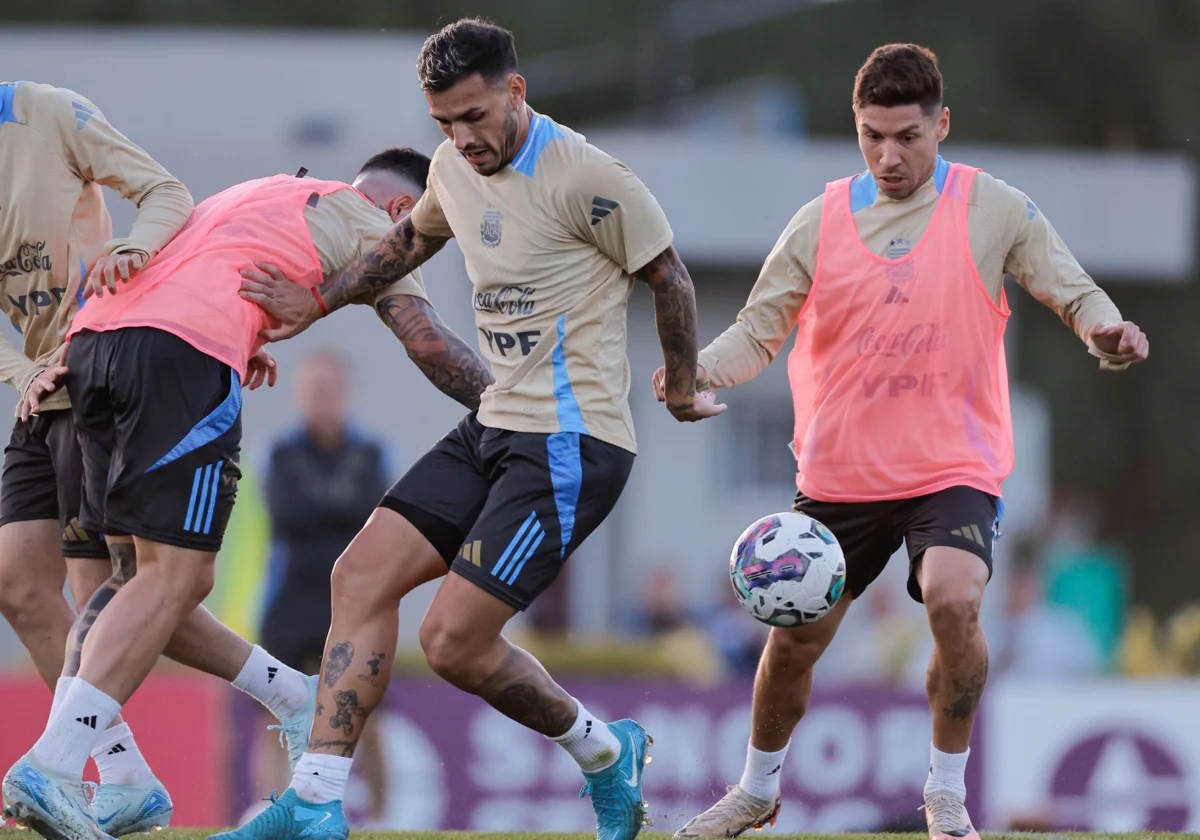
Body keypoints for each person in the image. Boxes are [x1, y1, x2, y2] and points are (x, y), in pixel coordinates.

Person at [214, 18, 719, 840]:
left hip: (571, 440)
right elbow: (405, 243)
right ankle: (315, 798)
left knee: (451, 643)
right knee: (359, 578)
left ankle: (601, 754)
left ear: (516, 91)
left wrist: (684, 385)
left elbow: (671, 277)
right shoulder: (451, 166)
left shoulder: (587, 176)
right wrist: (317, 301)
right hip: (494, 423)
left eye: (476, 116)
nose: (462, 137)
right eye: (445, 122)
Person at [663, 44, 1149, 839]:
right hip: (840, 476)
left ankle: (946, 791)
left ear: (942, 124)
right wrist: (696, 373)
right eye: (871, 136)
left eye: (908, 138)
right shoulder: (819, 219)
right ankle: (755, 791)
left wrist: (1107, 331)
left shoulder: (991, 207)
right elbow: (759, 329)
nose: (889, 156)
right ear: (856, 127)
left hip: (952, 467)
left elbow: (1074, 289)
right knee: (796, 645)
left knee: (957, 599)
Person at [2, 147, 488, 840]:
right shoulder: (369, 225)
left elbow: (184, 258)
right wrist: (513, 413)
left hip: (92, 347)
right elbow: (426, 338)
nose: (417, 254)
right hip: (179, 355)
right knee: (175, 576)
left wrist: (245, 327)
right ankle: (53, 764)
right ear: (404, 212)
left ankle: (266, 709)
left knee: (138, 580)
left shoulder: (262, 193)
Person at [0, 79, 194, 836]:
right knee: (19, 584)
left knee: (114, 591)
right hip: (39, 382)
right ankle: (122, 773)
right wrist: (21, 371)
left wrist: (134, 247)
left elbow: (166, 193)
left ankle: (284, 696)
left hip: (103, 372)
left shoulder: (47, 112)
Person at [250, 350, 392, 824]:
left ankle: (381, 817)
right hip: (290, 598)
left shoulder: (372, 452)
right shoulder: (279, 452)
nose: (321, 399)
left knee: (367, 716)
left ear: (345, 393)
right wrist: (337, 511)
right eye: (313, 390)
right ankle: (269, 809)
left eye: (329, 389)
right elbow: (288, 516)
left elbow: (373, 518)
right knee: (273, 720)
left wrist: (324, 511)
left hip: (354, 601)